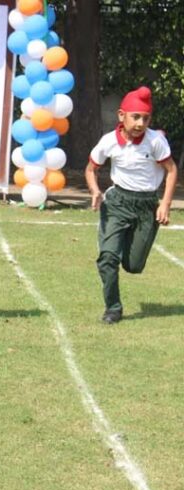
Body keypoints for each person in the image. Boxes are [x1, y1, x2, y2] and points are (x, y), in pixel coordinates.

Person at [85, 86, 177, 324]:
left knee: (134, 266)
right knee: (107, 258)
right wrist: (95, 191)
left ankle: (124, 243)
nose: (140, 123)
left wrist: (165, 203)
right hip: (116, 203)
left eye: (145, 118)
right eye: (135, 117)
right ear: (121, 115)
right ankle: (113, 308)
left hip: (146, 205)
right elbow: (91, 168)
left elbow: (172, 170)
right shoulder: (108, 141)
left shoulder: (155, 141)